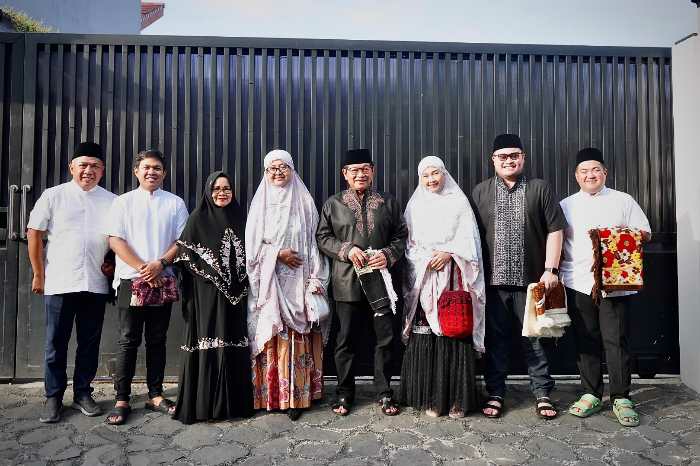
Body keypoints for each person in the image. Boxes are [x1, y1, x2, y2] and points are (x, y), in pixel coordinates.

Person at [471, 133, 567, 420]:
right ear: (493, 160)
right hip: (493, 284)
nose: (509, 160)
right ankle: (496, 393)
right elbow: (470, 236)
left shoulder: (540, 188)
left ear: (523, 158)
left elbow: (556, 229)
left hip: (533, 283)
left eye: (514, 155)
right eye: (503, 156)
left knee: (535, 340)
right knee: (496, 342)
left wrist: (551, 269)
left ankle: (542, 393)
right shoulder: (481, 191)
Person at [560, 147, 651, 427]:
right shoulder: (566, 205)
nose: (590, 175)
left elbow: (645, 232)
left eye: (595, 170)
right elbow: (556, 241)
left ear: (605, 173)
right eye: (584, 171)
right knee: (585, 339)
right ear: (576, 175)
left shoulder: (623, 200)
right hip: (578, 281)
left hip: (614, 284)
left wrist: (611, 239)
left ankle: (621, 397)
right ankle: (591, 393)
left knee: (616, 340)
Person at [27, 142, 116, 423]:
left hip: (95, 283)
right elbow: (34, 233)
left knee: (89, 343)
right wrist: (38, 274)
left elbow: (118, 239)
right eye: (83, 165)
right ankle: (53, 397)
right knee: (56, 342)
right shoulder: (53, 196)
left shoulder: (112, 200)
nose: (89, 170)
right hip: (60, 281)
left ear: (102, 170)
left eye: (95, 166)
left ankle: (82, 393)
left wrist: (112, 263)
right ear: (72, 168)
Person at [316, 148, 408, 416]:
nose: (360, 174)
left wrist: (387, 254)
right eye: (354, 170)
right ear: (345, 174)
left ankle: (384, 393)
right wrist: (346, 250)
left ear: (373, 171)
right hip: (347, 283)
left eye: (365, 169)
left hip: (381, 282)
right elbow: (322, 237)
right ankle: (344, 393)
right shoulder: (333, 204)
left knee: (385, 339)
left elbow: (401, 236)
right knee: (345, 340)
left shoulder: (388, 202)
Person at [104, 149, 189, 425]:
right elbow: (115, 240)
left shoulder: (175, 203)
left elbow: (182, 241)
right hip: (131, 280)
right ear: (136, 171)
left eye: (157, 168)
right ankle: (122, 399)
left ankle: (155, 394)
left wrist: (160, 264)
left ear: (164, 173)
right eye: (147, 167)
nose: (152, 172)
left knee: (157, 338)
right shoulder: (122, 202)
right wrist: (144, 268)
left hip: (162, 279)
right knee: (128, 339)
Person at [246, 149, 330, 421]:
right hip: (270, 283)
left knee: (298, 335)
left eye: (283, 167)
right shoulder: (260, 205)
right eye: (272, 168)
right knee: (273, 334)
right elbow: (251, 248)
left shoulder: (304, 202)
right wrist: (277, 254)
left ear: (292, 170)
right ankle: (270, 396)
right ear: (266, 173)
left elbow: (314, 244)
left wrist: (315, 277)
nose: (278, 172)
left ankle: (298, 397)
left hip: (299, 281)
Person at [399, 156, 486, 418]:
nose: (431, 180)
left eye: (435, 173)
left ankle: (457, 399)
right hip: (426, 280)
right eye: (425, 176)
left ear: (444, 174)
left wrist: (449, 252)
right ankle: (432, 398)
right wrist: (427, 259)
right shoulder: (415, 206)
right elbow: (409, 245)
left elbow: (470, 240)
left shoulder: (458, 202)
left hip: (453, 279)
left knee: (453, 332)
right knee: (427, 335)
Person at [172, 171, 254, 424]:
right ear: (208, 192)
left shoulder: (242, 218)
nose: (222, 193)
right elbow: (185, 255)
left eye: (227, 188)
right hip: (206, 294)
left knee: (233, 338)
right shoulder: (197, 219)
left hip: (237, 296)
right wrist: (211, 276)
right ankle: (205, 406)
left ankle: (234, 405)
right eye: (216, 189)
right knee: (210, 338)